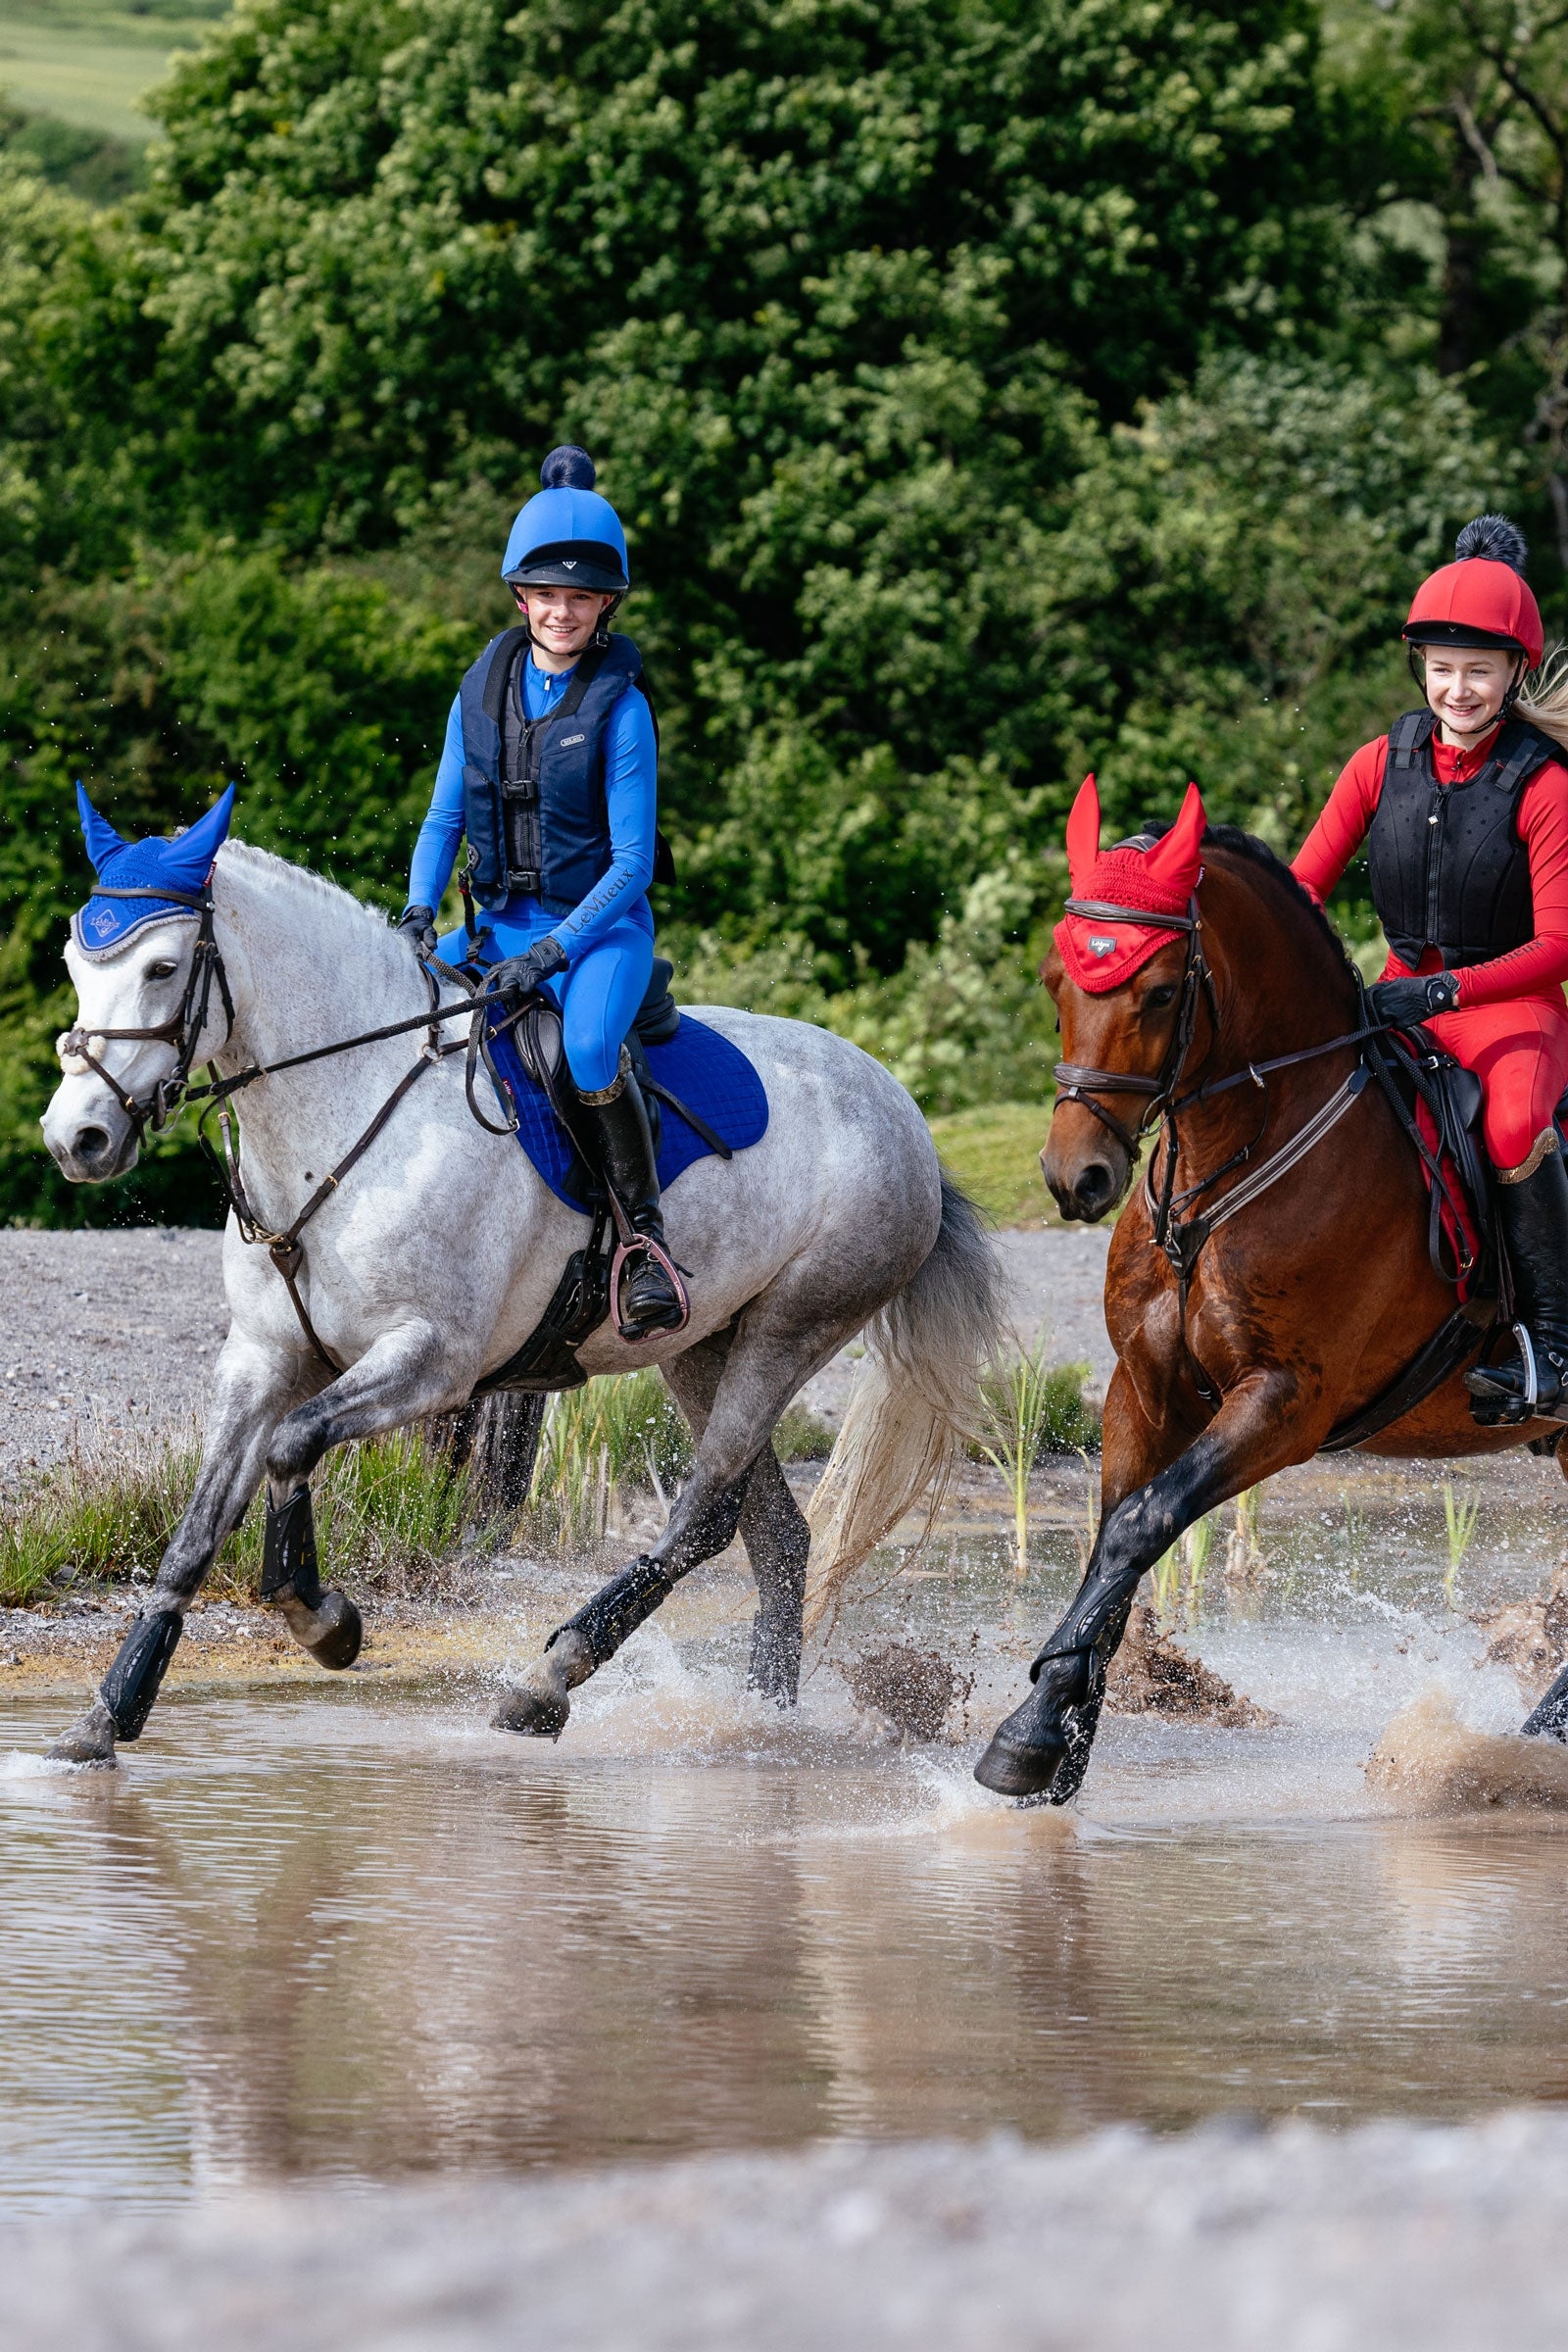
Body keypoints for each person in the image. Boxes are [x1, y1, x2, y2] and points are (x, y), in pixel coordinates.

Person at [397, 445, 685, 1339]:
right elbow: (444, 816)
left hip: (596, 935)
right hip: (497, 928)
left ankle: (643, 1241)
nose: (562, 612)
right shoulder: (478, 692)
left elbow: (632, 864)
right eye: (546, 596)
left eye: (581, 598)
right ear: (521, 598)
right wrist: (416, 909)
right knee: (410, 1018)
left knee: (590, 1049)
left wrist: (556, 951)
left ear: (607, 606)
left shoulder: (623, 708)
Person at [1292, 513, 1568, 1422]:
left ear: (1512, 673)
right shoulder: (1380, 762)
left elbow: (1560, 944)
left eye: (1478, 670)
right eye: (1442, 668)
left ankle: (1555, 1346)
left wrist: (1447, 990)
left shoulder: (1545, 783)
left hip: (1508, 1002)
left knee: (1515, 1121)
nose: (1458, 688)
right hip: (1397, 993)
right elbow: (1302, 892)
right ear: (1423, 670)